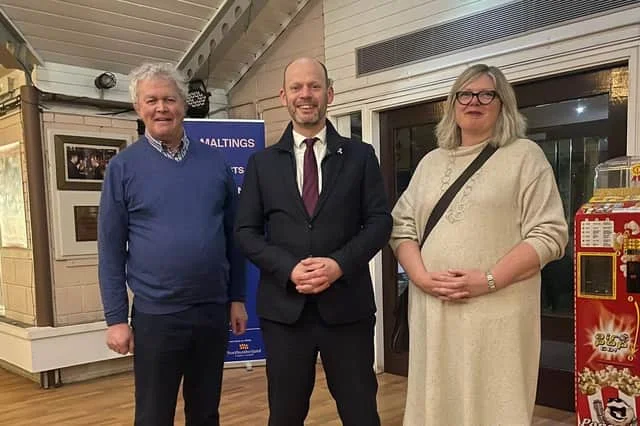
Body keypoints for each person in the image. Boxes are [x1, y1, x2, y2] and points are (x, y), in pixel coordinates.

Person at [389, 64, 568, 425]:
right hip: (434, 311)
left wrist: (488, 279)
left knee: (494, 405)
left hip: (496, 314)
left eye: (486, 94)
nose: (475, 102)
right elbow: (401, 227)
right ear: (452, 104)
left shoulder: (524, 156)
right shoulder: (430, 163)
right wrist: (420, 277)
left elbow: (549, 234)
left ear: (503, 103)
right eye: (465, 94)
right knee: (437, 402)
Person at [234, 57, 392, 426]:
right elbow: (245, 232)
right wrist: (288, 268)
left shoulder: (360, 156)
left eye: (314, 86)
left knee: (360, 413)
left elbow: (379, 222)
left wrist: (339, 264)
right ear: (283, 96)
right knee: (286, 415)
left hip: (347, 310)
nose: (306, 95)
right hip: (285, 313)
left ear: (330, 94)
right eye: (296, 87)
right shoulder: (261, 163)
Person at [97, 62, 247, 426]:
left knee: (205, 411)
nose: (160, 108)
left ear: (183, 104)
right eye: (151, 100)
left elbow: (234, 237)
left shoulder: (215, 163)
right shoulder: (123, 168)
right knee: (152, 414)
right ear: (138, 107)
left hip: (211, 313)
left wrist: (237, 298)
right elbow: (111, 249)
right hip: (156, 317)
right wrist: (116, 319)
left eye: (169, 99)